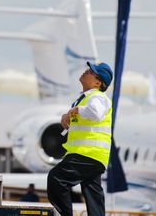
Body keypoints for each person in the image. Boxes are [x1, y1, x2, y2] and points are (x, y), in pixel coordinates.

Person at [47, 61, 114, 216]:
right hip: (94, 156)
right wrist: (68, 118)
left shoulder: (97, 97)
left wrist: (76, 110)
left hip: (87, 153)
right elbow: (85, 124)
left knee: (57, 178)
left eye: (91, 72)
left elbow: (95, 113)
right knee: (93, 195)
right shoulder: (85, 99)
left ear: (98, 82)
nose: (86, 71)